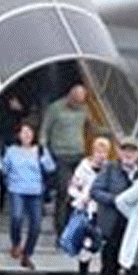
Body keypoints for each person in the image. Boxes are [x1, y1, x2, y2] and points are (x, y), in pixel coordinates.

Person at [90, 140, 138, 275]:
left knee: (134, 270)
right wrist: (115, 200)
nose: (128, 154)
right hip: (113, 225)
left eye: (132, 151)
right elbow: (95, 191)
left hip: (134, 227)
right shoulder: (110, 169)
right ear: (119, 152)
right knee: (110, 268)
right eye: (125, 150)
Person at [0, 121, 55, 269]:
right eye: (24, 132)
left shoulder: (40, 150)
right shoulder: (11, 150)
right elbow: (4, 169)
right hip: (16, 189)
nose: (27, 135)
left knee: (36, 224)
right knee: (16, 217)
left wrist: (43, 158)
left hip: (36, 191)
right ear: (18, 135)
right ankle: (16, 243)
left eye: (30, 132)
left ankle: (27, 254)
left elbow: (50, 168)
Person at [39, 83, 91, 238]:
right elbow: (45, 129)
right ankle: (60, 230)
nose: (77, 105)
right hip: (60, 155)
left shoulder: (84, 109)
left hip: (78, 155)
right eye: (75, 101)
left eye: (80, 102)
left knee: (79, 194)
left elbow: (91, 127)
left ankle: (73, 228)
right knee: (64, 192)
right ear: (69, 95)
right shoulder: (55, 108)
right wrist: (43, 148)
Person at [66, 136, 111, 275]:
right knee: (87, 245)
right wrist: (81, 198)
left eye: (104, 152)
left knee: (103, 245)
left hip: (104, 212)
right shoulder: (83, 168)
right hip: (87, 212)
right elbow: (72, 189)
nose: (101, 155)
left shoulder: (110, 169)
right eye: (98, 151)